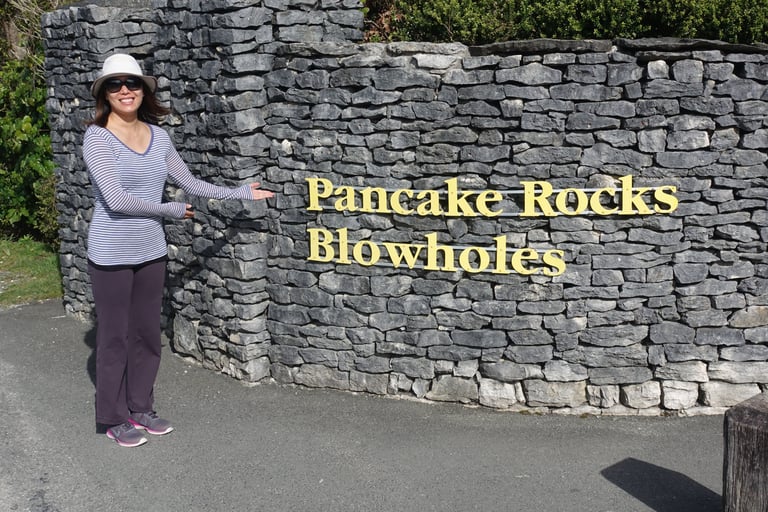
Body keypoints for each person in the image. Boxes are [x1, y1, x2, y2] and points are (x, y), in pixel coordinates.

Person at [82, 53, 274, 447]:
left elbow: (189, 181)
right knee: (115, 337)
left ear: (143, 91)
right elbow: (116, 200)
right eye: (115, 84)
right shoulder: (97, 138)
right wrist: (169, 210)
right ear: (104, 93)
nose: (125, 90)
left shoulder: (159, 137)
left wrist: (240, 192)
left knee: (147, 334)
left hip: (150, 251)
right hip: (111, 254)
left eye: (132, 83)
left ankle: (141, 408)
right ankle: (115, 417)